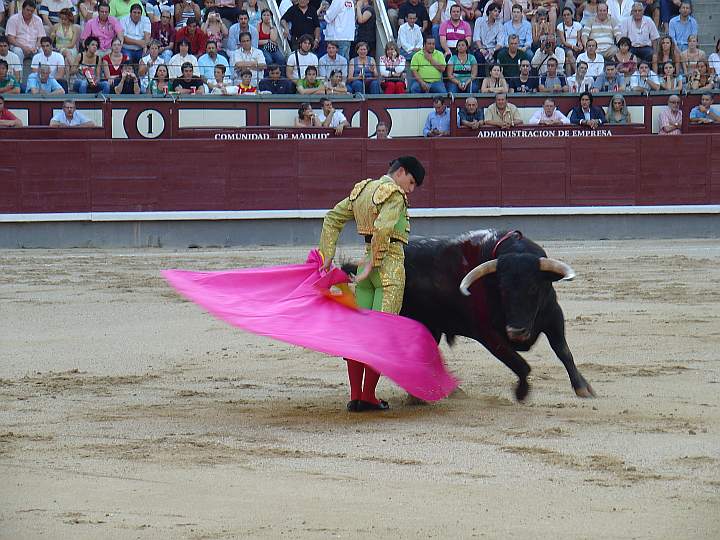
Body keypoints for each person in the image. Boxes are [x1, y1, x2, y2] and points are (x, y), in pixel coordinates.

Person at [318, 156, 425, 412]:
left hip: (366, 269)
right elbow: (382, 230)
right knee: (381, 334)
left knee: (359, 334)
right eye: (410, 182)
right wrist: (371, 265)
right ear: (401, 172)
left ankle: (356, 395)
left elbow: (332, 218)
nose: (410, 190)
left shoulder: (362, 189)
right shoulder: (395, 195)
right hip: (387, 270)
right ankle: (368, 395)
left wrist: (326, 255)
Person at [6, 0, 46, 64]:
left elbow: (41, 37)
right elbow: (10, 39)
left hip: (34, 48)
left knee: (43, 51)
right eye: (27, 10)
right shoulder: (13, 19)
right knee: (17, 51)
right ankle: (18, 73)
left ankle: (41, 73)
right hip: (19, 47)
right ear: (22, 8)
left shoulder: (38, 20)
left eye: (32, 11)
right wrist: (23, 47)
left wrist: (36, 46)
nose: (29, 12)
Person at [557, 5, 583, 74]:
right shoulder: (560, 26)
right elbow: (563, 42)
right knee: (569, 53)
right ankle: (578, 73)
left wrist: (579, 45)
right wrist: (572, 47)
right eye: (564, 15)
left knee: (568, 60)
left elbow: (579, 39)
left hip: (575, 46)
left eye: (568, 15)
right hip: (566, 47)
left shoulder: (577, 25)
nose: (566, 17)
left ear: (572, 15)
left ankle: (569, 79)